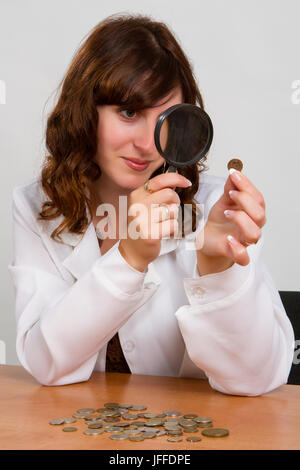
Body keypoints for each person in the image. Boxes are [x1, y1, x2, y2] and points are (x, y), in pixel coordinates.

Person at [8, 13, 294, 396]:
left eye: (164, 118)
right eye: (129, 113)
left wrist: (217, 270)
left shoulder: (215, 208)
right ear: (85, 111)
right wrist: (128, 259)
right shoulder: (36, 206)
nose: (147, 143)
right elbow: (47, 365)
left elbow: (257, 380)